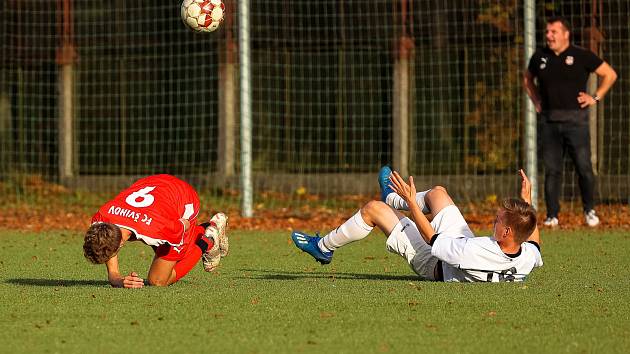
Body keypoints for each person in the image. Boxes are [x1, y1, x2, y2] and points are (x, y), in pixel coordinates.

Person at [291, 166, 542, 282]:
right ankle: (391, 196)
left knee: (373, 210)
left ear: (507, 231)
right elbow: (534, 243)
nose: (493, 220)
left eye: (498, 220)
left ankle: (323, 247)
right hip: (458, 245)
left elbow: (431, 238)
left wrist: (411, 203)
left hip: (435, 263)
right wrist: (527, 204)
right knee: (438, 193)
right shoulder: (526, 256)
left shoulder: (475, 251)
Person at [523, 16, 617, 227]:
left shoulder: (581, 55)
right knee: (552, 170)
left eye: (553, 32)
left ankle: (589, 211)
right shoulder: (539, 57)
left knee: (584, 167)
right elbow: (527, 79)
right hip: (549, 123)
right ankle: (552, 215)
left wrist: (595, 97)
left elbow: (610, 74)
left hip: (577, 123)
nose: (549, 36)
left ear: (566, 34)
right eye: (547, 32)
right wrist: (536, 99)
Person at [83, 174, 229, 288]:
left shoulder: (159, 229)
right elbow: (105, 242)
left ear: (120, 244)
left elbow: (184, 225)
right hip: (154, 185)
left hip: (183, 199)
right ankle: (205, 233)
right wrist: (115, 278)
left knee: (158, 280)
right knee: (162, 255)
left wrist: (182, 233)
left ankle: (208, 238)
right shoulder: (102, 217)